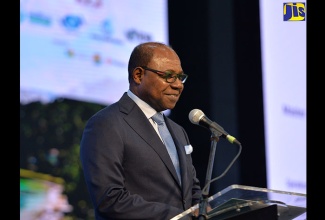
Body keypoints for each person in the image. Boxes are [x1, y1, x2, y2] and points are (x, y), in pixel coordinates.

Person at [80, 42, 202, 220]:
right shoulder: (106, 124)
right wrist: (180, 217)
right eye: (168, 76)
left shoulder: (178, 131)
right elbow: (110, 200)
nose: (178, 85)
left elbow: (192, 191)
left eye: (180, 77)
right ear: (138, 75)